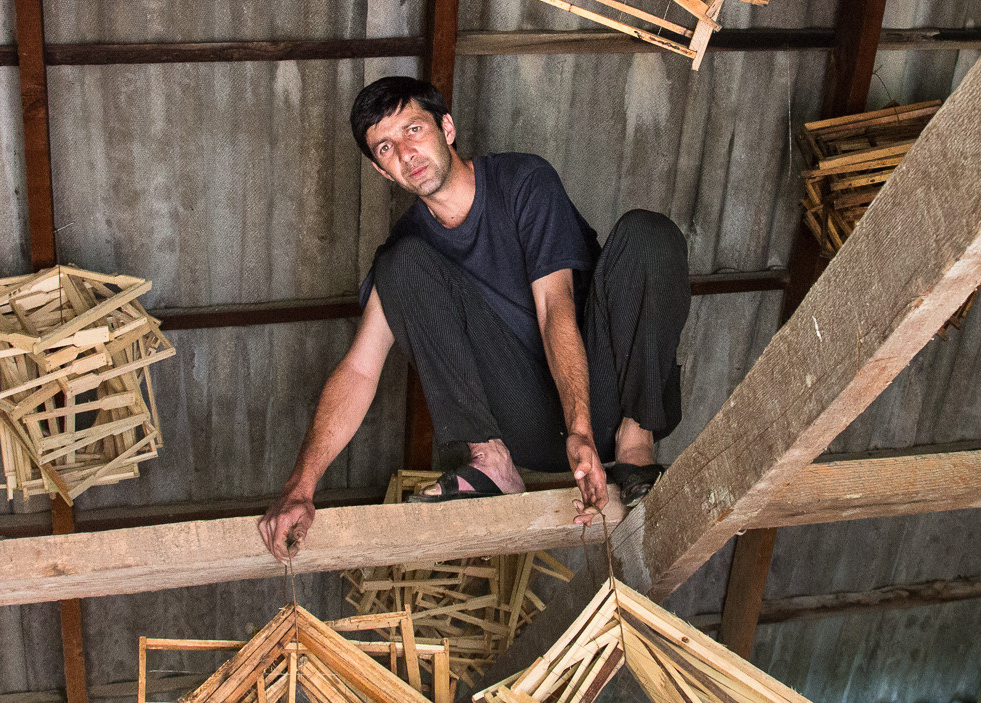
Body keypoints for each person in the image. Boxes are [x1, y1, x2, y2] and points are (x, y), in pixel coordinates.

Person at [257, 77, 690, 561]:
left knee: (647, 234)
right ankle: (492, 461)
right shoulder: (408, 250)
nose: (405, 152)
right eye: (386, 146)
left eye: (413, 129)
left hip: (601, 392)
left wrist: (583, 430)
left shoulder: (523, 182)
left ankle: (636, 450)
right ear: (382, 171)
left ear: (446, 126)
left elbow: (555, 309)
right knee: (398, 265)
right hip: (522, 421)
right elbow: (359, 369)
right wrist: (300, 487)